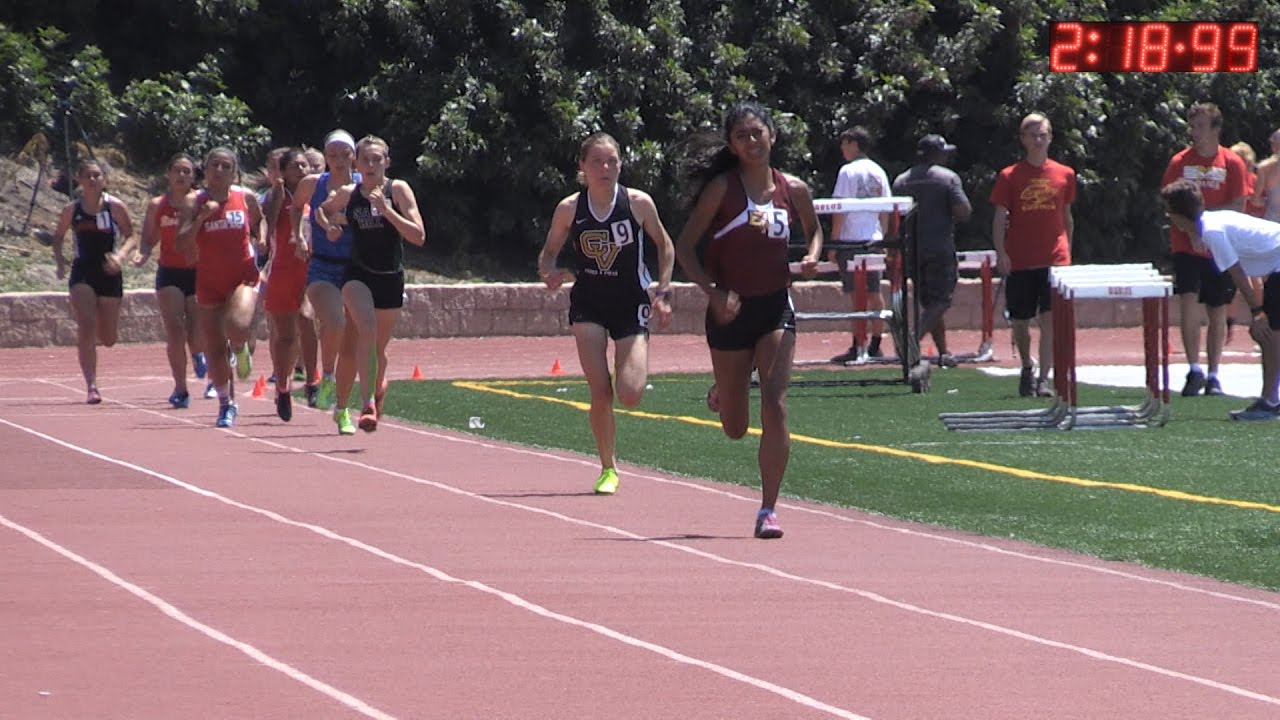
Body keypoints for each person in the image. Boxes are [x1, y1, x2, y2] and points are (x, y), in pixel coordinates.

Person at [675, 102, 822, 539]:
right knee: (736, 428)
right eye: (742, 136)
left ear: (772, 136)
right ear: (732, 145)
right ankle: (726, 389)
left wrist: (812, 255)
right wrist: (714, 293)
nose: (752, 141)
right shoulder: (723, 189)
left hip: (775, 305)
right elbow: (685, 247)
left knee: (775, 402)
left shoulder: (793, 189)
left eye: (758, 132)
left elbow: (814, 230)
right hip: (730, 311)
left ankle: (768, 510)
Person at [536, 133, 676, 494]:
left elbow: (665, 245)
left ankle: (635, 353)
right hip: (589, 304)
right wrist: (550, 272)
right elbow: (548, 253)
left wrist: (663, 291)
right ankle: (607, 468)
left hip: (630, 302)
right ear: (582, 167)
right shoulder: (570, 208)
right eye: (597, 161)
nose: (605, 168)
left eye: (612, 161)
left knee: (629, 394)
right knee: (600, 390)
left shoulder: (637, 203)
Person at [319, 135, 425, 434]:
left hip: (390, 277)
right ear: (356, 164)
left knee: (375, 348)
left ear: (386, 162)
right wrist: (330, 227)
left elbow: (418, 236)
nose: (370, 164)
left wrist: (387, 210)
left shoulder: (398, 190)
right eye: (364, 159)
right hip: (358, 275)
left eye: (376, 159)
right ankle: (364, 404)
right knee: (366, 328)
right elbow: (322, 211)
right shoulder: (349, 193)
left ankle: (376, 388)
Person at [1162, 179, 1280, 420]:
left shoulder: (1212, 231)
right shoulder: (1211, 224)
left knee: (1270, 334)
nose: (1168, 216)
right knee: (1266, 335)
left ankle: (1270, 401)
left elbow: (1237, 272)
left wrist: (1258, 311)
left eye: (1169, 211)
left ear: (1178, 214)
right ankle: (1270, 400)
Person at [1162, 102, 1248, 397]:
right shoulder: (1179, 162)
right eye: (1192, 125)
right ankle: (1193, 369)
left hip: (1219, 247)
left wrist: (1206, 228)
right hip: (1186, 246)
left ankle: (1213, 374)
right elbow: (1170, 205)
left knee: (1217, 308)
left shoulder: (1232, 163)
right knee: (1188, 302)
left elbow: (1238, 205)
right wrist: (1191, 230)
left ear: (1215, 129)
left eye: (1200, 126)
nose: (1194, 132)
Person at [176, 147, 264, 428]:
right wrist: (202, 217)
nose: (220, 170)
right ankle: (227, 404)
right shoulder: (194, 201)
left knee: (237, 326)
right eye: (215, 165)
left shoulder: (244, 197)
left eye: (226, 166)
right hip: (209, 279)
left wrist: (260, 240)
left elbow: (259, 222)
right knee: (213, 347)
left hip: (243, 274)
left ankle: (240, 348)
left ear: (234, 171)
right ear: (206, 168)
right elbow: (181, 244)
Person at [991, 113, 1076, 398]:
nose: (1039, 140)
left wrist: (1068, 253)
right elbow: (999, 216)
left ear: (1050, 137)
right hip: (1020, 258)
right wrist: (1001, 252)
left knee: (1050, 319)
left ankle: (1044, 378)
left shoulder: (1065, 174)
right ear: (1023, 139)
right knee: (1020, 320)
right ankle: (1027, 365)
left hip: (1054, 259)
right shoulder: (1009, 176)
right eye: (1033, 135)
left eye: (1043, 134)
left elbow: (1067, 217)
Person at [51, 160, 136, 404]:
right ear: (79, 179)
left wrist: (120, 257)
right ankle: (91, 385)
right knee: (86, 325)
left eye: (97, 175)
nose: (92, 180)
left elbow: (131, 236)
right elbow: (58, 238)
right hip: (83, 271)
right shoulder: (72, 209)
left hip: (109, 271)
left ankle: (103, 325)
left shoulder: (114, 207)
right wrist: (60, 262)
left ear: (104, 180)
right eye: (87, 175)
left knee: (108, 338)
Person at [292, 130, 361, 420]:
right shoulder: (313, 184)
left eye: (344, 155)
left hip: (357, 267)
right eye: (332, 155)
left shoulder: (363, 185)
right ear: (326, 157)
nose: (338, 160)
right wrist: (299, 236)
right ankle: (327, 376)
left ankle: (345, 398)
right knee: (334, 321)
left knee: (354, 338)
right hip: (322, 265)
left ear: (353, 157)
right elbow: (296, 208)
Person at [131, 153, 209, 407]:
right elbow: (148, 238)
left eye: (187, 171)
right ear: (168, 174)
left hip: (197, 271)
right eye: (178, 170)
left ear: (194, 176)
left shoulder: (201, 201)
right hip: (169, 272)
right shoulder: (158, 204)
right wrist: (142, 254)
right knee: (175, 330)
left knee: (196, 331)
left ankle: (198, 353)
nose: (182, 175)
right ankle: (181, 389)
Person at [893, 134, 972, 367]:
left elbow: (893, 217)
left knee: (929, 304)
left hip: (912, 249)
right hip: (939, 247)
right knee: (942, 301)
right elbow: (963, 212)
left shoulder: (901, 181)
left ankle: (944, 352)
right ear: (936, 155)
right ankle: (909, 342)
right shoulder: (948, 179)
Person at [262, 148, 320, 421]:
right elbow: (269, 224)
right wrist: (276, 191)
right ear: (283, 171)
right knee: (285, 336)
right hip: (283, 270)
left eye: (305, 165)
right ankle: (283, 388)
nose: (301, 170)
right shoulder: (277, 196)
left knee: (307, 318)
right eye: (295, 166)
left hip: (311, 270)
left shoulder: (316, 195)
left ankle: (312, 381)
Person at [828, 126, 891, 362]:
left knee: (856, 294)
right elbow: (886, 209)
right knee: (874, 291)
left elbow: (840, 209)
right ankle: (875, 342)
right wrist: (883, 237)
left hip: (851, 239)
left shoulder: (847, 172)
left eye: (845, 143)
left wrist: (834, 242)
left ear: (854, 143)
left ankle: (859, 343)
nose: (842, 149)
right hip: (873, 239)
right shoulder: (879, 172)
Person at [1251, 129, 1280, 222]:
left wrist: (1269, 203)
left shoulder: (1264, 167)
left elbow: (1255, 200)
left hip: (1273, 221)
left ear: (1274, 146)